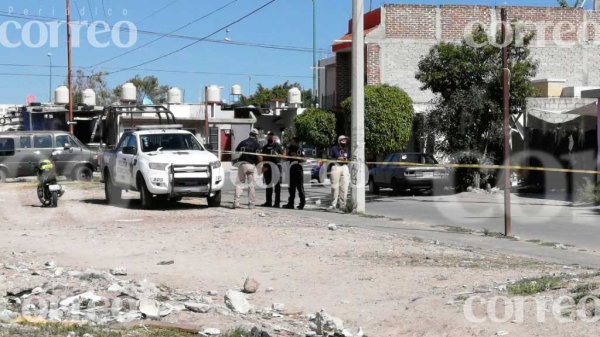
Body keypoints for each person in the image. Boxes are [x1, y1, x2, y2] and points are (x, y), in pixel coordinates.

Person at [233, 128, 261, 209]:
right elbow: (259, 156)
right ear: (256, 136)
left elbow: (236, 152)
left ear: (249, 134)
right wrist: (259, 165)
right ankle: (251, 204)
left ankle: (236, 202)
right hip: (251, 165)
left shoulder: (243, 142)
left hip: (242, 164)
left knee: (239, 184)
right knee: (251, 185)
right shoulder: (256, 144)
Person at [260, 131, 284, 208]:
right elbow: (262, 157)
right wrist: (262, 166)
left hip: (276, 167)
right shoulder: (265, 147)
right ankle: (268, 202)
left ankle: (277, 203)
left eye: (271, 136)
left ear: (274, 138)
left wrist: (277, 154)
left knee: (277, 186)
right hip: (268, 168)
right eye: (268, 136)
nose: (270, 138)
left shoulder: (278, 146)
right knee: (269, 186)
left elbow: (283, 156)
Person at [328, 135, 350, 211]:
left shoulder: (347, 149)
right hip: (336, 166)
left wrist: (346, 159)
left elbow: (349, 158)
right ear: (339, 141)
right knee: (335, 187)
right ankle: (333, 204)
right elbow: (330, 157)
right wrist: (337, 158)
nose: (344, 141)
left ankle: (343, 205)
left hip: (344, 166)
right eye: (343, 140)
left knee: (344, 187)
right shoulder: (334, 148)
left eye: (345, 140)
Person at [283, 137, 305, 210]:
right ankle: (290, 203)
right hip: (290, 169)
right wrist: (285, 153)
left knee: (300, 187)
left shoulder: (300, 149)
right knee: (291, 188)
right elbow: (285, 158)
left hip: (298, 169)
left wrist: (296, 156)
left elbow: (304, 159)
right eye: (291, 142)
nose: (291, 143)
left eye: (293, 142)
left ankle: (302, 203)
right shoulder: (289, 149)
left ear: (296, 142)